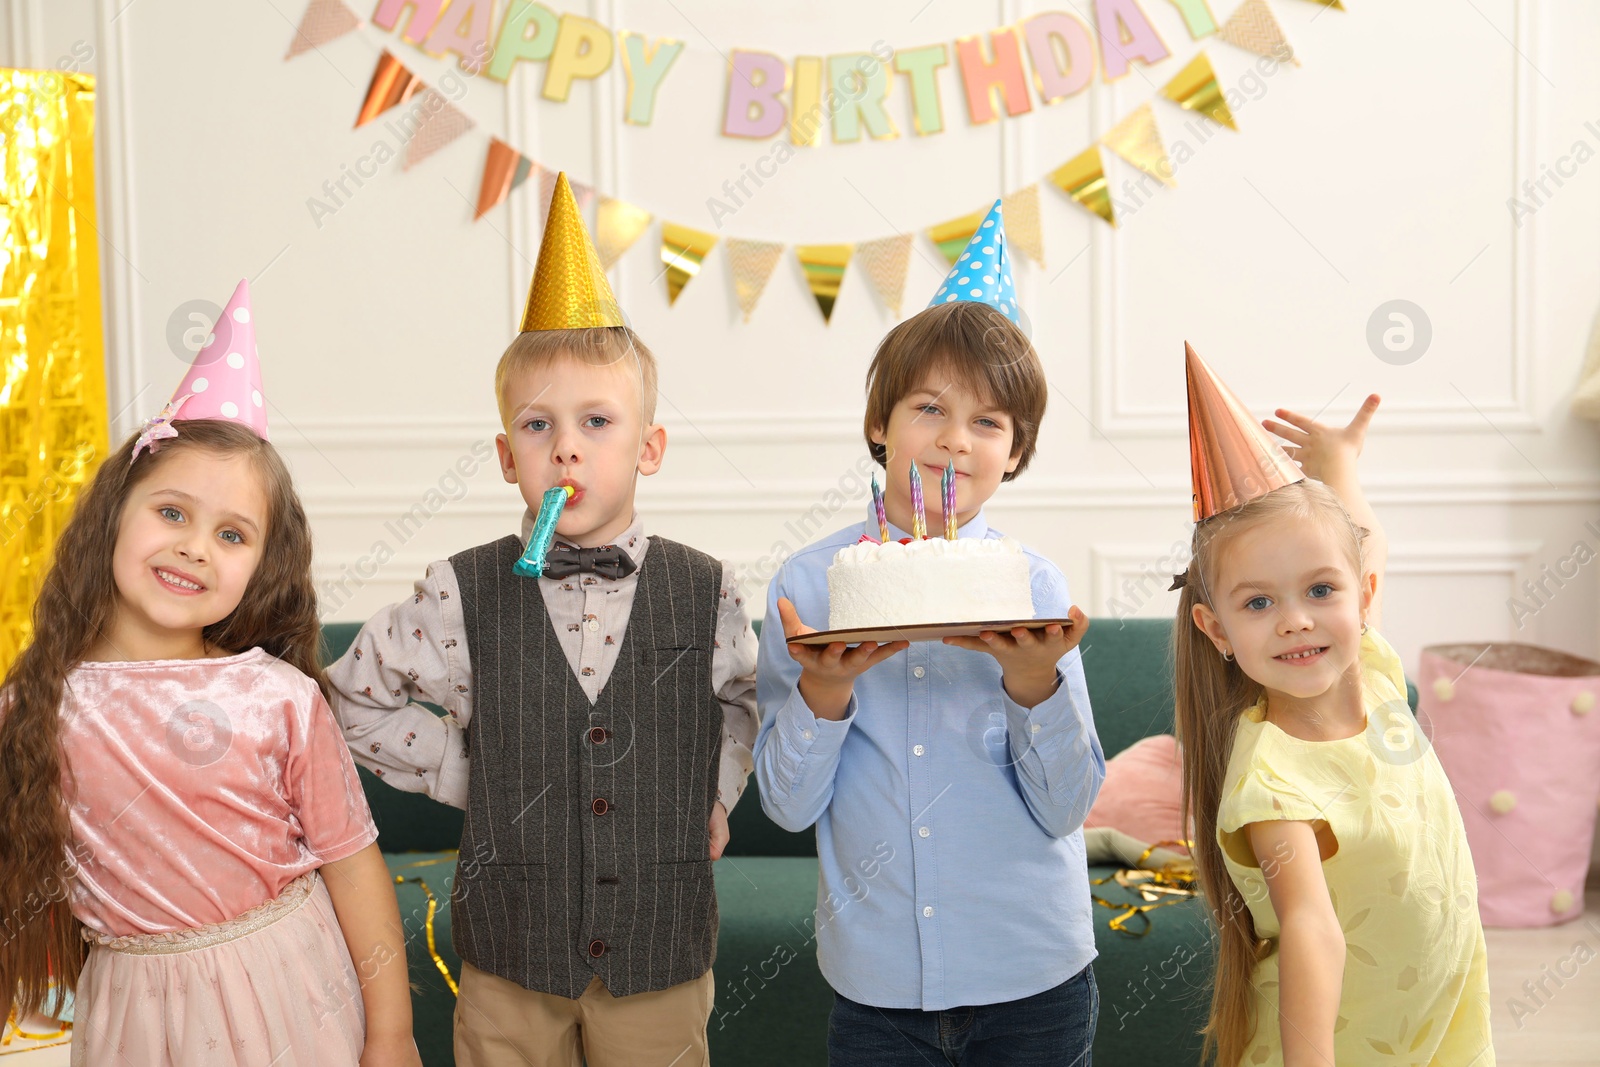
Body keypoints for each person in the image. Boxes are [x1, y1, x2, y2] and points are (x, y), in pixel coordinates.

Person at [328, 175, 758, 1067]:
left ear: (648, 447)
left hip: (659, 952)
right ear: (505, 455)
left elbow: (743, 700)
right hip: (511, 959)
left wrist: (715, 792)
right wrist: (463, 768)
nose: (567, 445)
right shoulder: (459, 592)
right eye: (538, 424)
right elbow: (351, 699)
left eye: (597, 421)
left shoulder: (706, 588)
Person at [0, 281, 420, 1066]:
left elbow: (356, 870)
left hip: (289, 986)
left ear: (260, 567)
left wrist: (391, 1032)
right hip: (135, 1010)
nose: (195, 545)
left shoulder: (278, 699)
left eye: (232, 533)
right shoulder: (35, 705)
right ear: (112, 517)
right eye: (172, 512)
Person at [756, 201, 1103, 1065]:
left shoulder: (1033, 588)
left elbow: (1068, 808)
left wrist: (1034, 685)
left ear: (1015, 451)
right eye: (929, 409)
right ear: (881, 424)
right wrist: (824, 691)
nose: (955, 440)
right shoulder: (811, 586)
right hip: (877, 986)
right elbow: (787, 804)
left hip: (1034, 972)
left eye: (988, 421)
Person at [1173, 344, 1493, 1066]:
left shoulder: (1372, 666)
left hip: (1434, 1021)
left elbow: (1365, 543)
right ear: (1218, 630)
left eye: (1321, 590)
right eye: (1260, 602)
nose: (1297, 619)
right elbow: (1312, 928)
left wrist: (1340, 465)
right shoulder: (1273, 783)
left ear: (1362, 597)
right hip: (1344, 1044)